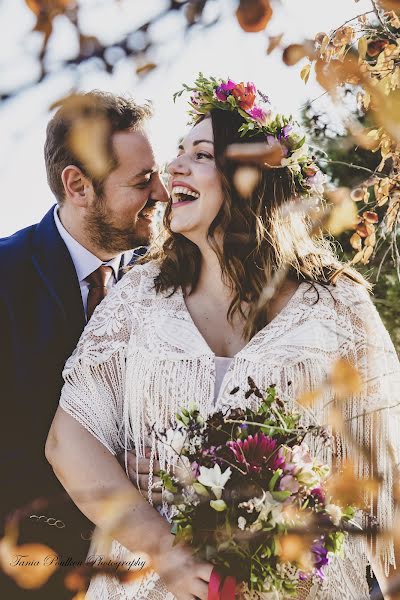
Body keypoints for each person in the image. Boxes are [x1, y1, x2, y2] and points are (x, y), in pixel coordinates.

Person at [46, 75, 400, 600]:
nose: (174, 169)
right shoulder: (138, 295)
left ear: (254, 175)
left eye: (202, 154)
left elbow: (386, 482)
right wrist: (166, 552)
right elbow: (68, 442)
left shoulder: (334, 307)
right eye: (178, 153)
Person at [0, 90, 168, 599]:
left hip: (134, 570)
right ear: (78, 185)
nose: (161, 192)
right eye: (142, 181)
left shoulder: (160, 282)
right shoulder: (6, 275)